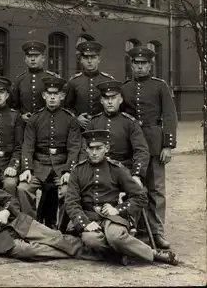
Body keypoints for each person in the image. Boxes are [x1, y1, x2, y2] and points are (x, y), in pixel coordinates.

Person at [0, 159, 102, 262]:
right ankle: (90, 253)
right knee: (28, 251)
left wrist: (5, 211)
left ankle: (101, 251)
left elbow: (10, 199)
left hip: (15, 222)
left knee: (54, 237)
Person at [64, 129, 179, 266]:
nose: (94, 152)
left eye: (99, 148)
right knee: (92, 240)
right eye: (91, 148)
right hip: (89, 217)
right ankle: (124, 254)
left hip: (112, 218)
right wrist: (85, 223)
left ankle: (154, 254)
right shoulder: (77, 171)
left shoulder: (117, 169)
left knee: (115, 237)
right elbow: (71, 202)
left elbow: (140, 197)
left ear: (106, 148)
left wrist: (118, 209)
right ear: (86, 149)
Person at [121, 46, 178, 249]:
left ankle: (157, 232)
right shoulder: (125, 87)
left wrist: (168, 146)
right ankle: (135, 229)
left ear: (150, 65)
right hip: (132, 145)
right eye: (136, 63)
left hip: (154, 143)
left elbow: (170, 116)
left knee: (156, 190)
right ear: (131, 65)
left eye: (143, 63)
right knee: (134, 187)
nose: (140, 67)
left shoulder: (160, 86)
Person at [18, 77, 81, 226]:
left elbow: (74, 147)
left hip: (61, 167)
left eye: (56, 94)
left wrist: (68, 171)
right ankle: (31, 227)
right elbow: (28, 145)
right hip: (39, 165)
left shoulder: (70, 119)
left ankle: (62, 230)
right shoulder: (35, 118)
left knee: (67, 191)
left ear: (62, 96)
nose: (52, 97)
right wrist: (27, 168)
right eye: (49, 94)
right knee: (23, 189)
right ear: (44, 96)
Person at [86, 80, 149, 183]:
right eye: (106, 98)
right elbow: (84, 149)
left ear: (120, 100)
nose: (110, 102)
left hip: (123, 170)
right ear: (101, 100)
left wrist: (137, 174)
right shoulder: (93, 122)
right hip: (96, 170)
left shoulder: (130, 123)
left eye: (113, 98)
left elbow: (141, 150)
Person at [65, 41, 114, 129]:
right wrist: (76, 118)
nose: (89, 61)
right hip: (80, 129)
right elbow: (67, 107)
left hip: (103, 128)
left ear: (99, 59)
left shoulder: (108, 81)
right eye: (86, 57)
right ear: (81, 60)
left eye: (93, 57)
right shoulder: (74, 82)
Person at [11, 40, 59, 121]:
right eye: (29, 56)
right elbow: (14, 105)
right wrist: (21, 116)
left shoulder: (52, 78)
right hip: (25, 126)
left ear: (43, 58)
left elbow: (60, 105)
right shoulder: (19, 80)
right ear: (25, 59)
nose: (32, 59)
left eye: (36, 56)